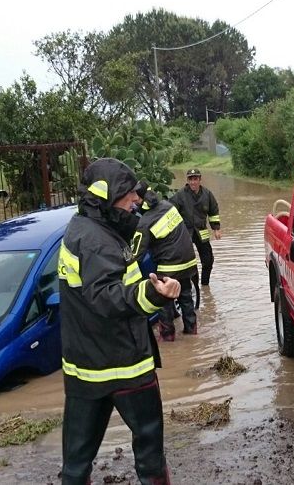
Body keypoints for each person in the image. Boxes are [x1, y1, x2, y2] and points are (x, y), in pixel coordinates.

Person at [57, 158, 181, 485]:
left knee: (76, 459)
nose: (136, 200)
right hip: (124, 365)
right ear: (106, 197)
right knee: (150, 453)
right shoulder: (97, 239)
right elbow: (107, 296)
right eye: (128, 194)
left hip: (85, 368)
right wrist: (155, 295)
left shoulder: (85, 228)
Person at [133, 182, 199, 338]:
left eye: (134, 198)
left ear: (141, 199)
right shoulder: (167, 205)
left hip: (170, 264)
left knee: (164, 301)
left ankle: (167, 337)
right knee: (185, 296)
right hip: (188, 260)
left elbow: (136, 253)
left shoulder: (145, 221)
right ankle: (191, 332)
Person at [170, 168, 221, 286]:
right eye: (190, 179)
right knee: (189, 262)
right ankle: (194, 286)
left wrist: (216, 228)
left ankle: (205, 285)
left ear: (200, 180)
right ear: (187, 180)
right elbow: (170, 211)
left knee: (208, 260)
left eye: (195, 179)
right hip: (185, 232)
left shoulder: (207, 194)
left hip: (201, 231)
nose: (193, 182)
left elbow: (213, 212)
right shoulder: (180, 195)